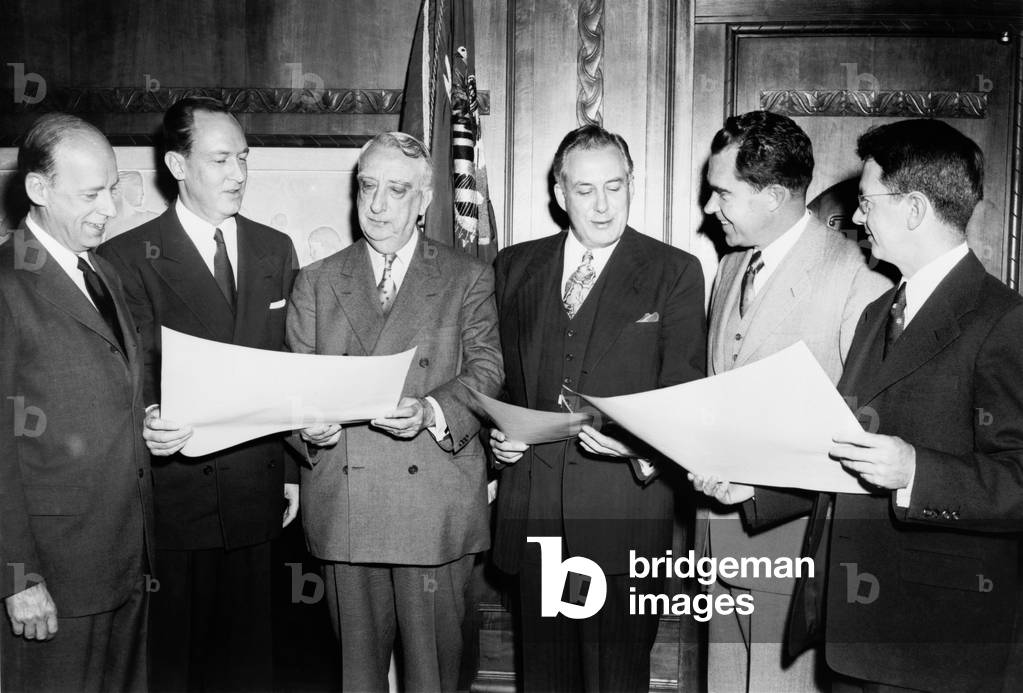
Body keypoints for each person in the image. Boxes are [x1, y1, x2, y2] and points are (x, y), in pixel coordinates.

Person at [755, 118, 1023, 691]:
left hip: (937, 641)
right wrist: (753, 486)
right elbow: (848, 450)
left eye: (866, 202)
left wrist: (917, 472)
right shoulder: (881, 310)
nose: (855, 218)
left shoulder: (1004, 319)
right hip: (853, 629)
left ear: (915, 209)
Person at [489, 124, 707, 692]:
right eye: (585, 190)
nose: (603, 204)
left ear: (632, 183)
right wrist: (500, 436)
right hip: (534, 520)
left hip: (623, 521)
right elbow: (502, 383)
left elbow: (685, 397)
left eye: (615, 186)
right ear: (560, 194)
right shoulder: (514, 268)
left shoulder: (675, 271)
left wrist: (641, 449)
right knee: (545, 682)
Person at [287, 131, 503, 692]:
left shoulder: (467, 277)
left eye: (397, 190)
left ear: (425, 200)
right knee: (356, 677)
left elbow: (486, 371)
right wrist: (309, 426)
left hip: (432, 504)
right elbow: (294, 387)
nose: (378, 205)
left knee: (434, 675)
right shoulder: (315, 281)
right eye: (368, 187)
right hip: (348, 506)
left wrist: (431, 410)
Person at [97, 96, 299, 692]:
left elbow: (287, 365)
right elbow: (125, 381)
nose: (237, 174)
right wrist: (148, 418)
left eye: (243, 158)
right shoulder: (126, 258)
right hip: (175, 500)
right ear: (178, 166)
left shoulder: (275, 248)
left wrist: (292, 471)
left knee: (251, 666)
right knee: (176, 667)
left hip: (260, 495)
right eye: (219, 160)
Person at [688, 110, 890, 692]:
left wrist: (765, 491)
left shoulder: (860, 280)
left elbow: (865, 436)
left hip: (794, 546)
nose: (708, 207)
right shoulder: (730, 267)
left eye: (722, 191)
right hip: (716, 539)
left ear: (775, 196)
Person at [0, 113, 154, 691]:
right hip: (53, 574)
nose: (111, 209)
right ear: (38, 190)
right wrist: (18, 577)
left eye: (112, 188)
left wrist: (150, 422)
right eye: (91, 194)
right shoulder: (5, 282)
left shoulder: (103, 271)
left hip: (125, 559)